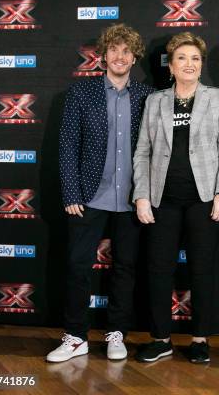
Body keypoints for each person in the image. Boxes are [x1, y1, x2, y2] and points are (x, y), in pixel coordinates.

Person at [49, 24, 154, 362]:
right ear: (103, 55)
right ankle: (75, 335)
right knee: (78, 265)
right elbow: (67, 146)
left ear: (134, 56)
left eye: (126, 51)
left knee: (124, 267)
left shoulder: (146, 96)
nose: (120, 56)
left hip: (131, 198)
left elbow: (154, 150)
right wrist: (71, 192)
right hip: (89, 196)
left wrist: (146, 194)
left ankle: (116, 333)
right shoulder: (81, 93)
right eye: (114, 50)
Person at [132, 32, 219, 364]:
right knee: (159, 269)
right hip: (163, 200)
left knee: (202, 270)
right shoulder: (155, 101)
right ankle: (161, 339)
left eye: (195, 58)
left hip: (203, 199)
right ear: (171, 65)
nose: (189, 64)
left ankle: (200, 339)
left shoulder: (217, 98)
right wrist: (142, 196)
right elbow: (143, 153)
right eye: (182, 58)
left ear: (201, 64)